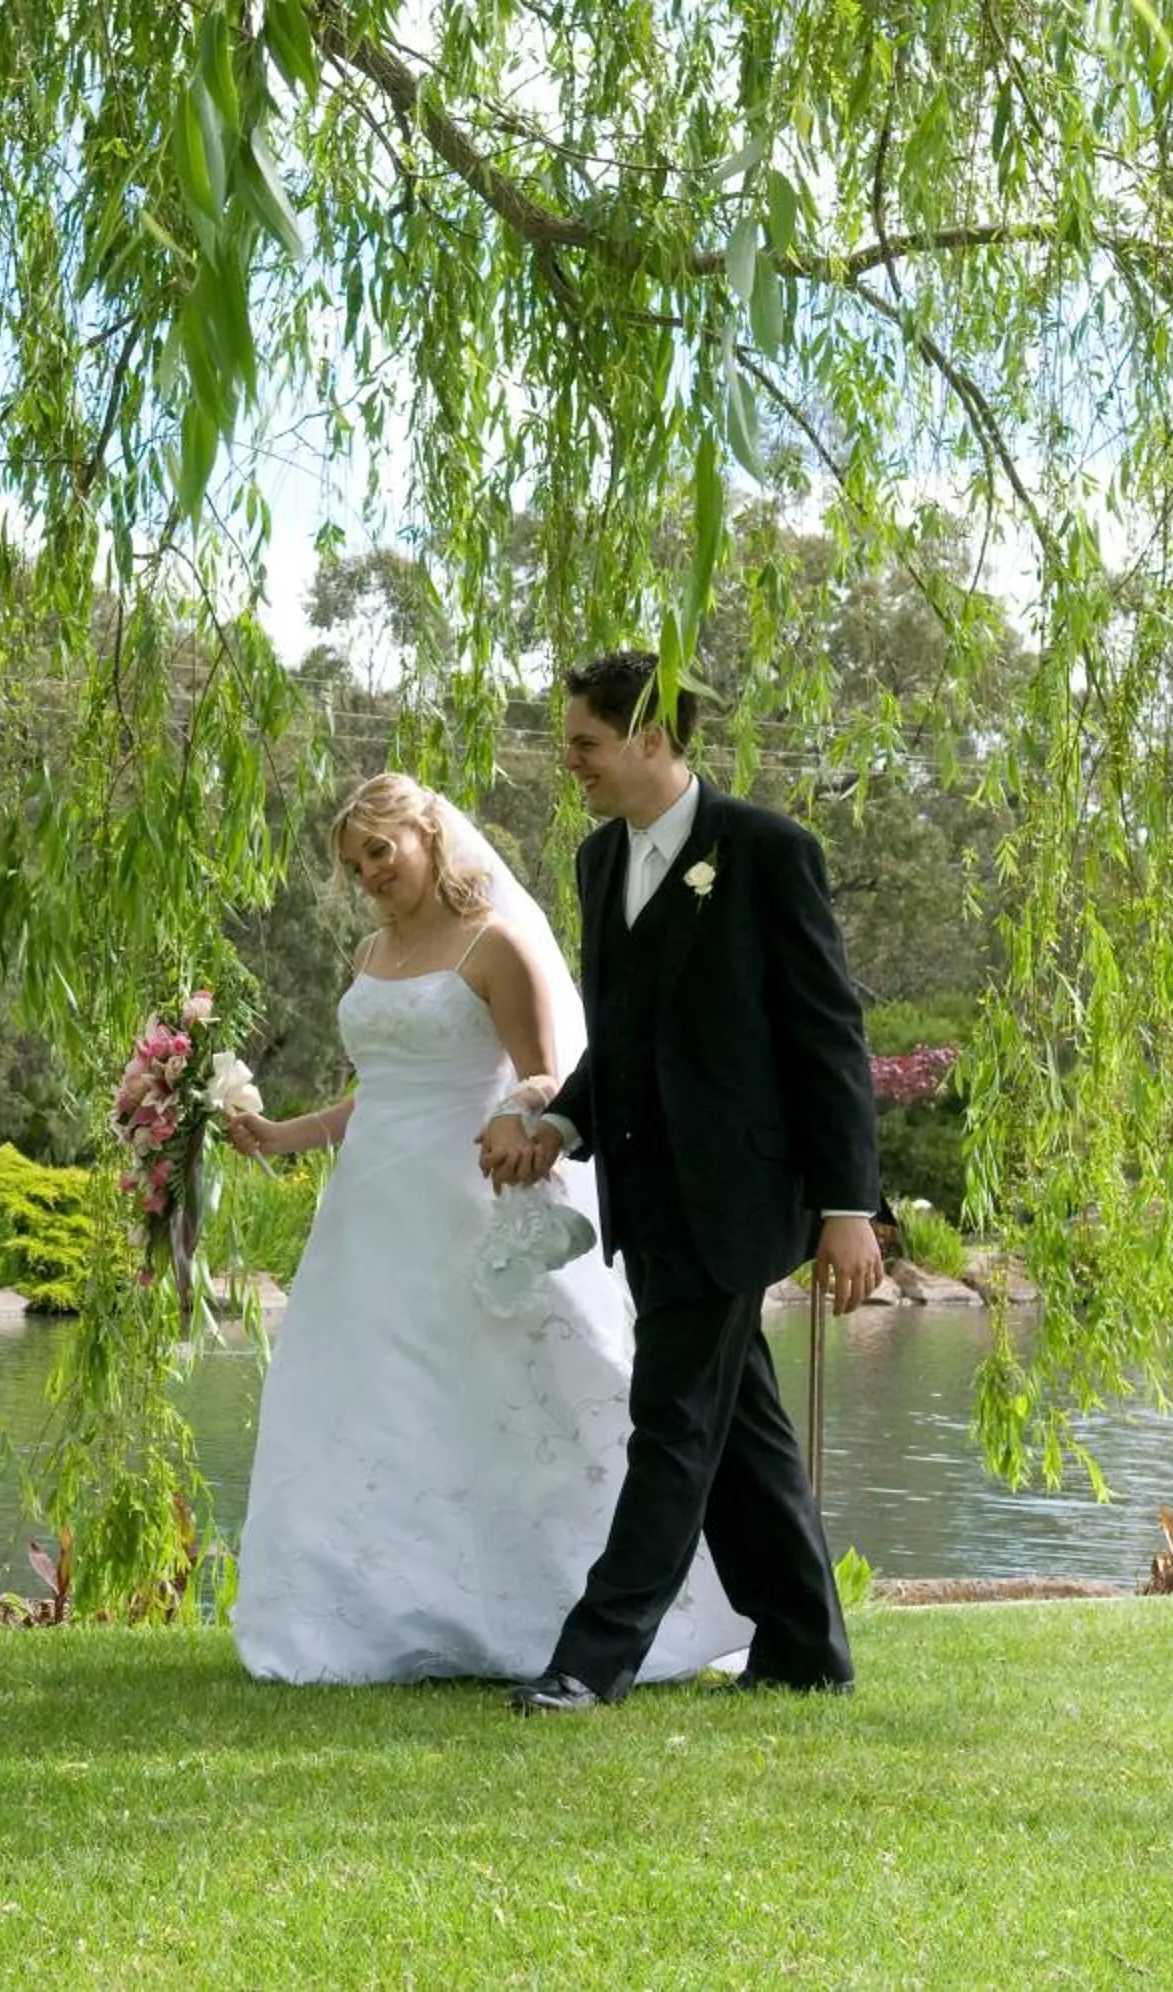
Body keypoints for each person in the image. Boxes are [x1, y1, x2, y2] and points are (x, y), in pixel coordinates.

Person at [222, 772, 751, 1685]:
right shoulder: (370, 956)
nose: (368, 876)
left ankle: (584, 1606)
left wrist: (517, 1117)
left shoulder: (495, 944)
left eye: (379, 852)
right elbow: (376, 1091)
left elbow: (552, 1077)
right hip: (370, 1212)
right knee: (368, 1399)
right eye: (354, 866)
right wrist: (282, 1137)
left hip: (465, 1198)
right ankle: (369, 1618)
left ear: (428, 836)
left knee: (505, 1395)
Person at [482, 650, 883, 1710]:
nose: (570, 762)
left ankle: (589, 1661)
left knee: (671, 1425)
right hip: (646, 1201)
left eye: (585, 743)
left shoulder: (766, 853)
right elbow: (622, 1036)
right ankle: (806, 1645)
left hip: (739, 1199)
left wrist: (848, 1207)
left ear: (651, 738)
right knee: (738, 1433)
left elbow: (828, 1040)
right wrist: (562, 1117)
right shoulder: (597, 863)